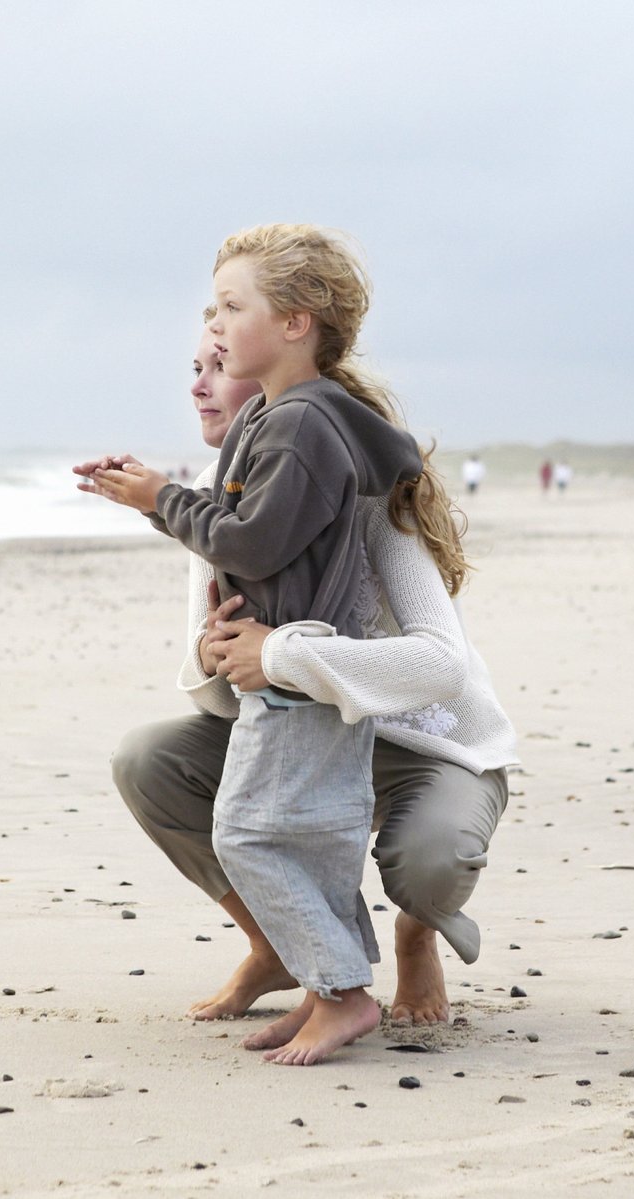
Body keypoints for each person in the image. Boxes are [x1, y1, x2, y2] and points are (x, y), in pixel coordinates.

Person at [80, 225, 519, 1063]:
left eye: (217, 360)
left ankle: (411, 935)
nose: (201, 380)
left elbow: (439, 664)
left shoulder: (345, 480)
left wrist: (277, 654)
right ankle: (286, 949)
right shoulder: (222, 490)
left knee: (419, 859)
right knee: (151, 760)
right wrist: (217, 652)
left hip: (421, 741)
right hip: (301, 715)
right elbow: (228, 665)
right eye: (196, 362)